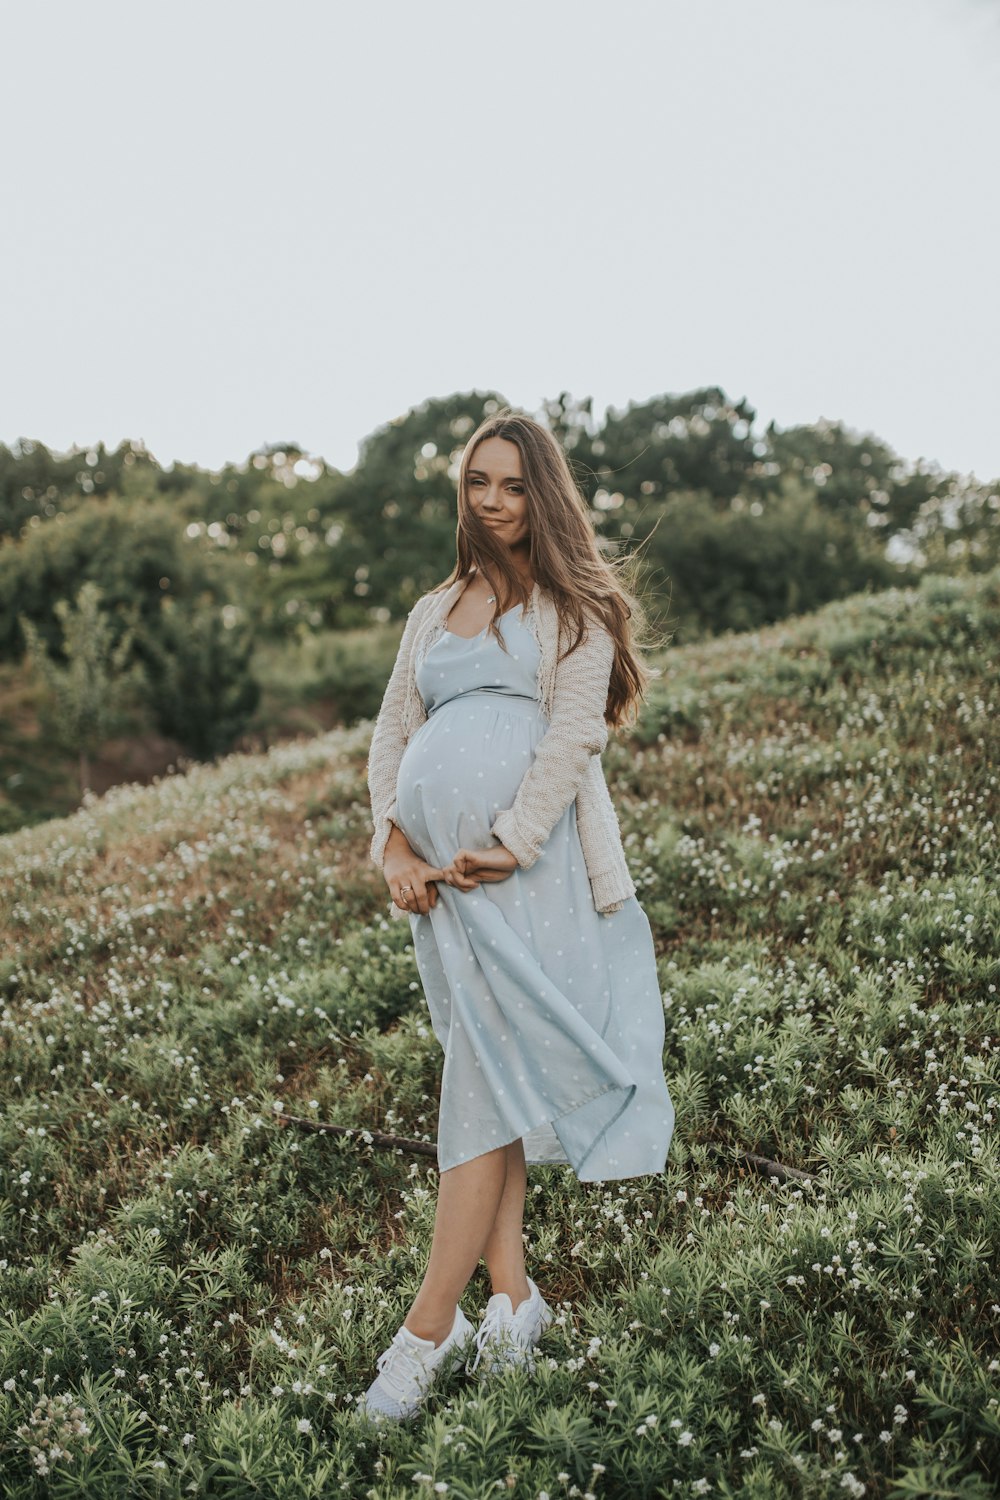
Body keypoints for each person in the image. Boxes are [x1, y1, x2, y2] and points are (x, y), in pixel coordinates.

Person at [357, 408, 675, 1422]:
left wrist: (515, 838)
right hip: (442, 885)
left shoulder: (571, 609)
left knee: (479, 1090)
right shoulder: (432, 609)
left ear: (544, 491)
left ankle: (421, 1338)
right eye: (478, 484)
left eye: (512, 484)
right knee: (486, 1072)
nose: (494, 503)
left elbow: (574, 734)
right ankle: (515, 1301)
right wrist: (392, 846)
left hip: (517, 876)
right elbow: (389, 737)